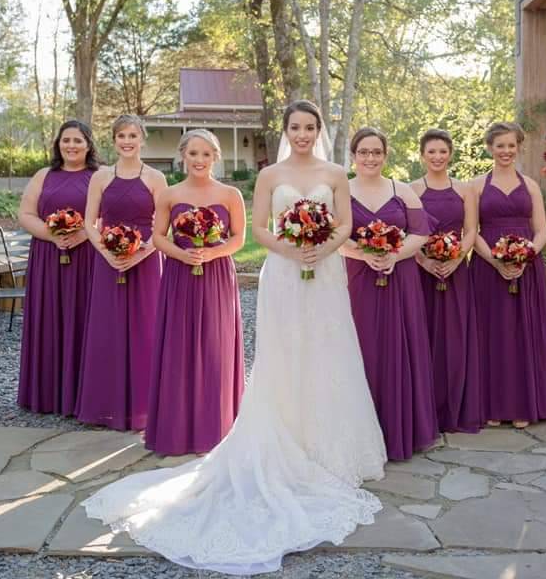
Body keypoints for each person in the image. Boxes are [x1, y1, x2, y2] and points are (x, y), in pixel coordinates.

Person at [82, 100, 387, 575]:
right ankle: (283, 437)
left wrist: (322, 247)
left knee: (330, 352)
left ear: (319, 131)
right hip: (283, 274)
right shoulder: (269, 175)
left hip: (325, 272)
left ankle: (328, 446)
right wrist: (291, 248)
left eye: (310, 127)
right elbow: (260, 229)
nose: (303, 134)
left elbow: (345, 223)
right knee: (284, 355)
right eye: (295, 127)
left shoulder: (335, 173)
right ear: (286, 131)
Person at [145, 129, 246, 455]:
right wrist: (182, 254)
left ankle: (216, 426)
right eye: (193, 154)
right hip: (179, 275)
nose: (199, 160)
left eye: (206, 154)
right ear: (183, 156)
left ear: (215, 157)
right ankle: (176, 429)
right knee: (179, 345)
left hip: (215, 274)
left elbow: (238, 239)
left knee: (215, 346)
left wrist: (211, 253)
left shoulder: (231, 194)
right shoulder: (169, 195)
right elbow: (159, 236)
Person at [340, 126, 439, 460]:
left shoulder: (402, 191)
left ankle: (401, 429)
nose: (371, 158)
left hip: (401, 279)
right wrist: (364, 254)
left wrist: (394, 255)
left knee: (399, 346)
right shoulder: (341, 190)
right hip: (358, 278)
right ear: (353, 156)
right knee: (363, 345)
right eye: (364, 152)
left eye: (377, 152)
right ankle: (363, 431)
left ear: (385, 155)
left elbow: (420, 232)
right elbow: (335, 235)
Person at [75, 115, 166, 431]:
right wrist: (108, 254)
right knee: (107, 329)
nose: (127, 141)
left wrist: (140, 253)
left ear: (142, 138)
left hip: (146, 261)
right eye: (121, 136)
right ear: (113, 140)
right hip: (107, 260)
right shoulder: (100, 177)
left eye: (133, 135)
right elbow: (89, 222)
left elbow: (162, 227)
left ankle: (145, 407)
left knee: (146, 329)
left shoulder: (156, 178)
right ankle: (105, 405)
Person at [471, 122, 546, 428]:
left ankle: (525, 405)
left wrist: (526, 256)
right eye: (500, 146)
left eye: (511, 145)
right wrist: (497, 262)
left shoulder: (531, 185)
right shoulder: (477, 186)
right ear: (489, 148)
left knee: (524, 333)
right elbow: (472, 232)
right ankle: (493, 406)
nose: (506, 151)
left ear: (519, 147)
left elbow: (541, 229)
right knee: (493, 334)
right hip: (487, 269)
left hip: (527, 268)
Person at [17, 120, 98, 415]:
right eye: (66, 140)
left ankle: (84, 394)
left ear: (88, 144)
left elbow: (109, 215)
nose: (71, 146)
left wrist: (80, 234)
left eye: (78, 140)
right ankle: (48, 393)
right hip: (48, 257)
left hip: (88, 257)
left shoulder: (99, 176)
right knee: (50, 316)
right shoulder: (44, 175)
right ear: (58, 144)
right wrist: (54, 235)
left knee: (85, 318)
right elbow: (25, 214)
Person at [411, 128, 483, 433]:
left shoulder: (466, 190)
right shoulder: (412, 189)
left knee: (455, 339)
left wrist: (455, 260)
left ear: (450, 153)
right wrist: (425, 261)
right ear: (422, 155)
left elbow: (471, 231)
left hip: (457, 274)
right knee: (425, 338)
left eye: (442, 151)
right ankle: (427, 412)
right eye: (431, 152)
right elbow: (409, 232)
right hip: (422, 273)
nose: (437, 157)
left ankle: (457, 407)